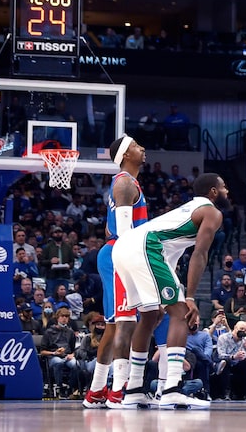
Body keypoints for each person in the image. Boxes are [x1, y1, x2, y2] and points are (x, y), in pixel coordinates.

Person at [113, 173, 230, 410]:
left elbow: (171, 253)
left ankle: (134, 389)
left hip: (124, 247)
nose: (227, 191)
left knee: (151, 316)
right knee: (180, 314)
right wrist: (189, 298)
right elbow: (200, 253)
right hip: (145, 247)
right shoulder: (211, 212)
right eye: (224, 186)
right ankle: (172, 389)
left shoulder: (187, 209)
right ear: (213, 192)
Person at [83, 136, 148, 409]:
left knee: (113, 325)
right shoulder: (124, 182)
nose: (142, 149)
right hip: (122, 254)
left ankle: (96, 390)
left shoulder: (125, 182)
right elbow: (123, 233)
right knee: (126, 322)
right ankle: (119, 390)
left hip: (114, 252)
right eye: (136, 146)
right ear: (125, 154)